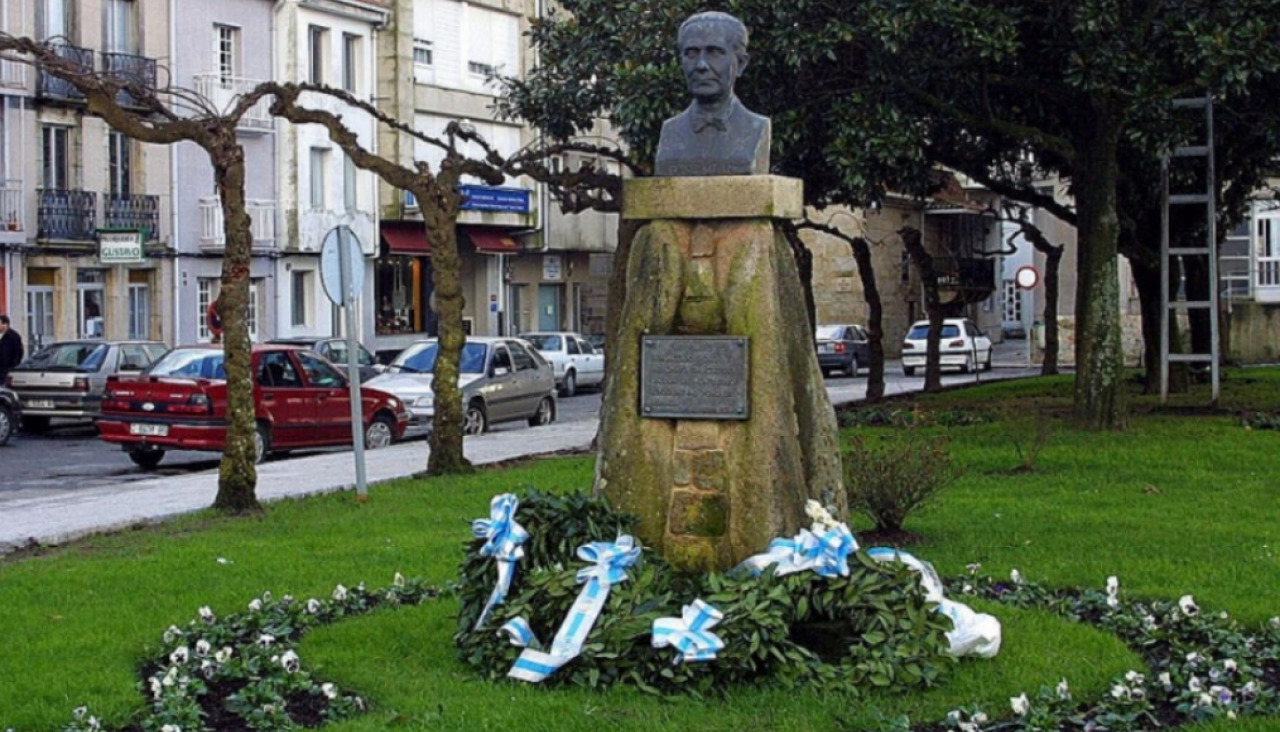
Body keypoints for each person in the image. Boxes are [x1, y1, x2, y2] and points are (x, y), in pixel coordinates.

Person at [653, 11, 771, 177]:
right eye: (692, 53)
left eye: (714, 53)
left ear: (741, 64)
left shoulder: (756, 128)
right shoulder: (670, 132)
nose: (701, 65)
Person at [0, 314, 24, 383]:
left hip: (6, 369)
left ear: (5, 325)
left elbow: (18, 353)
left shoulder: (14, 336)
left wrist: (12, 366)